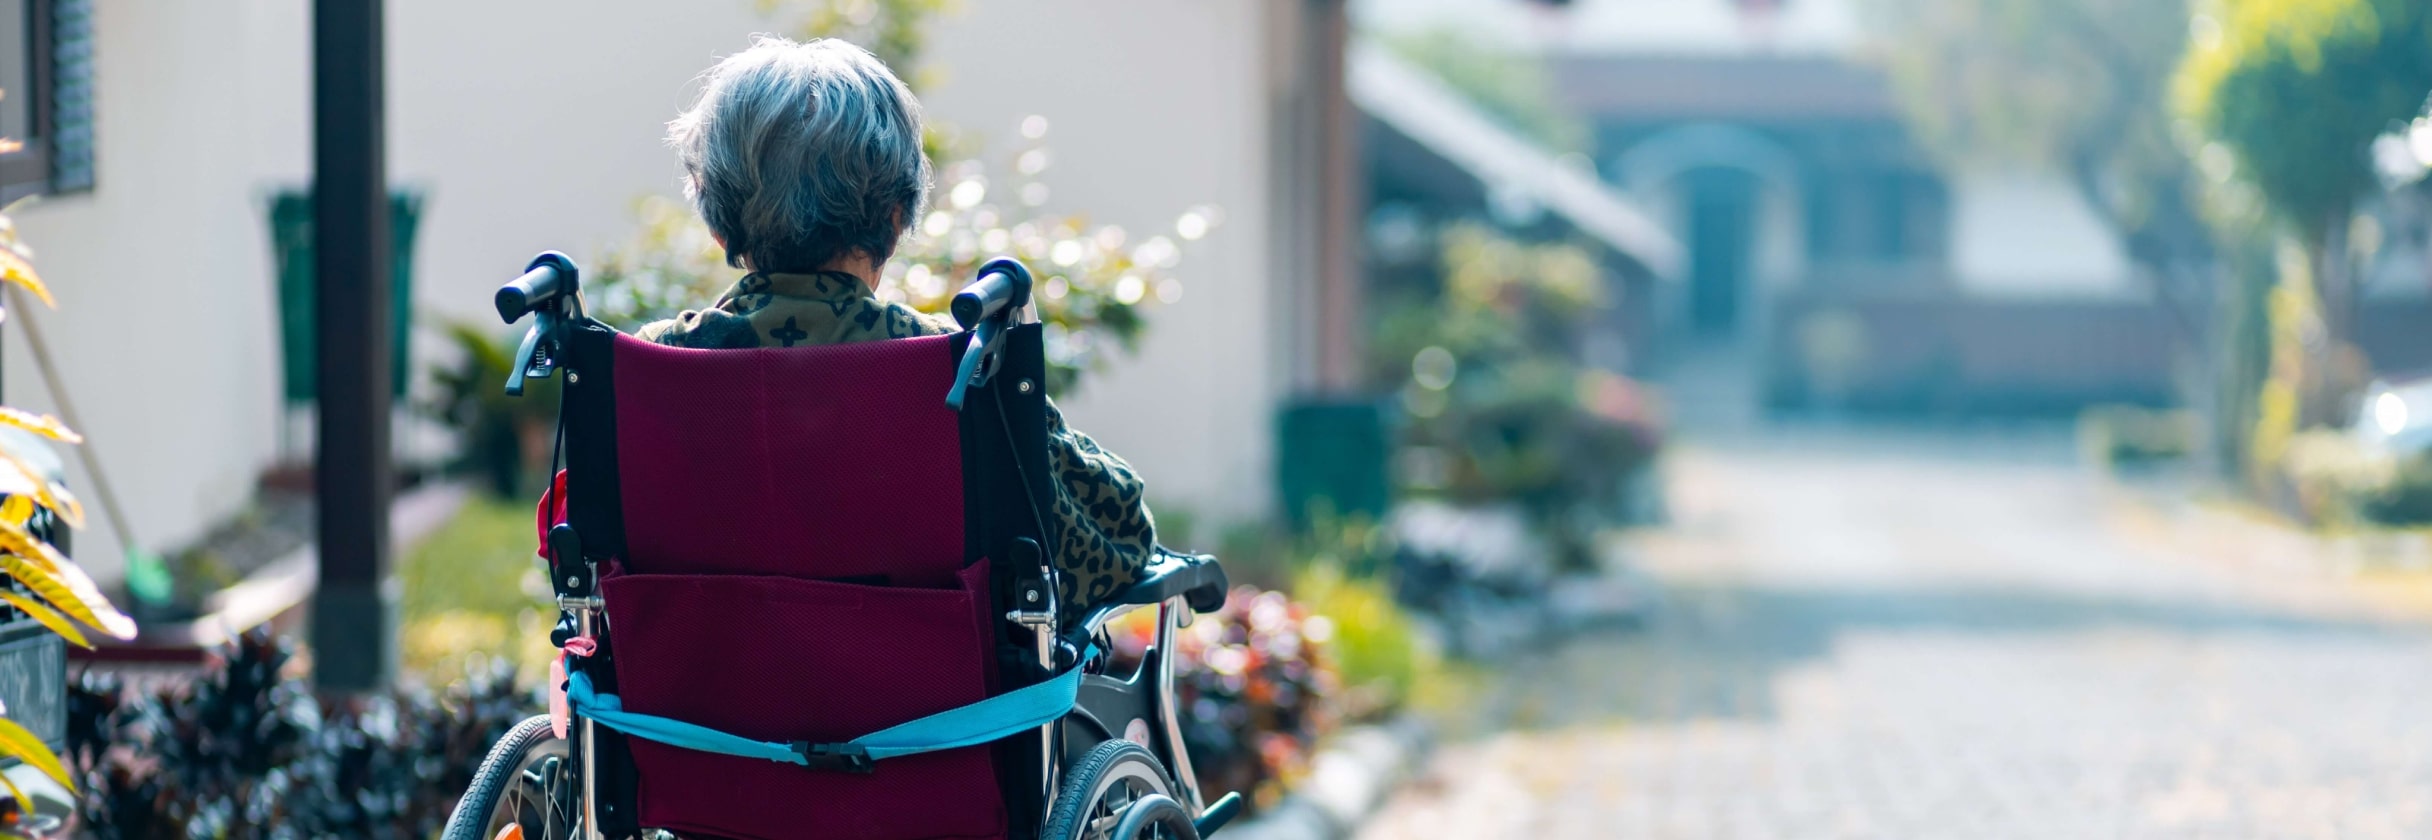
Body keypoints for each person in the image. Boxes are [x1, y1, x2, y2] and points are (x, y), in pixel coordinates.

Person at [636, 36, 1155, 619]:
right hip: (927, 677)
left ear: (718, 226)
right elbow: (1117, 541)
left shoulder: (648, 371)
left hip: (699, 676)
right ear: (896, 216)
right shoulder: (958, 367)